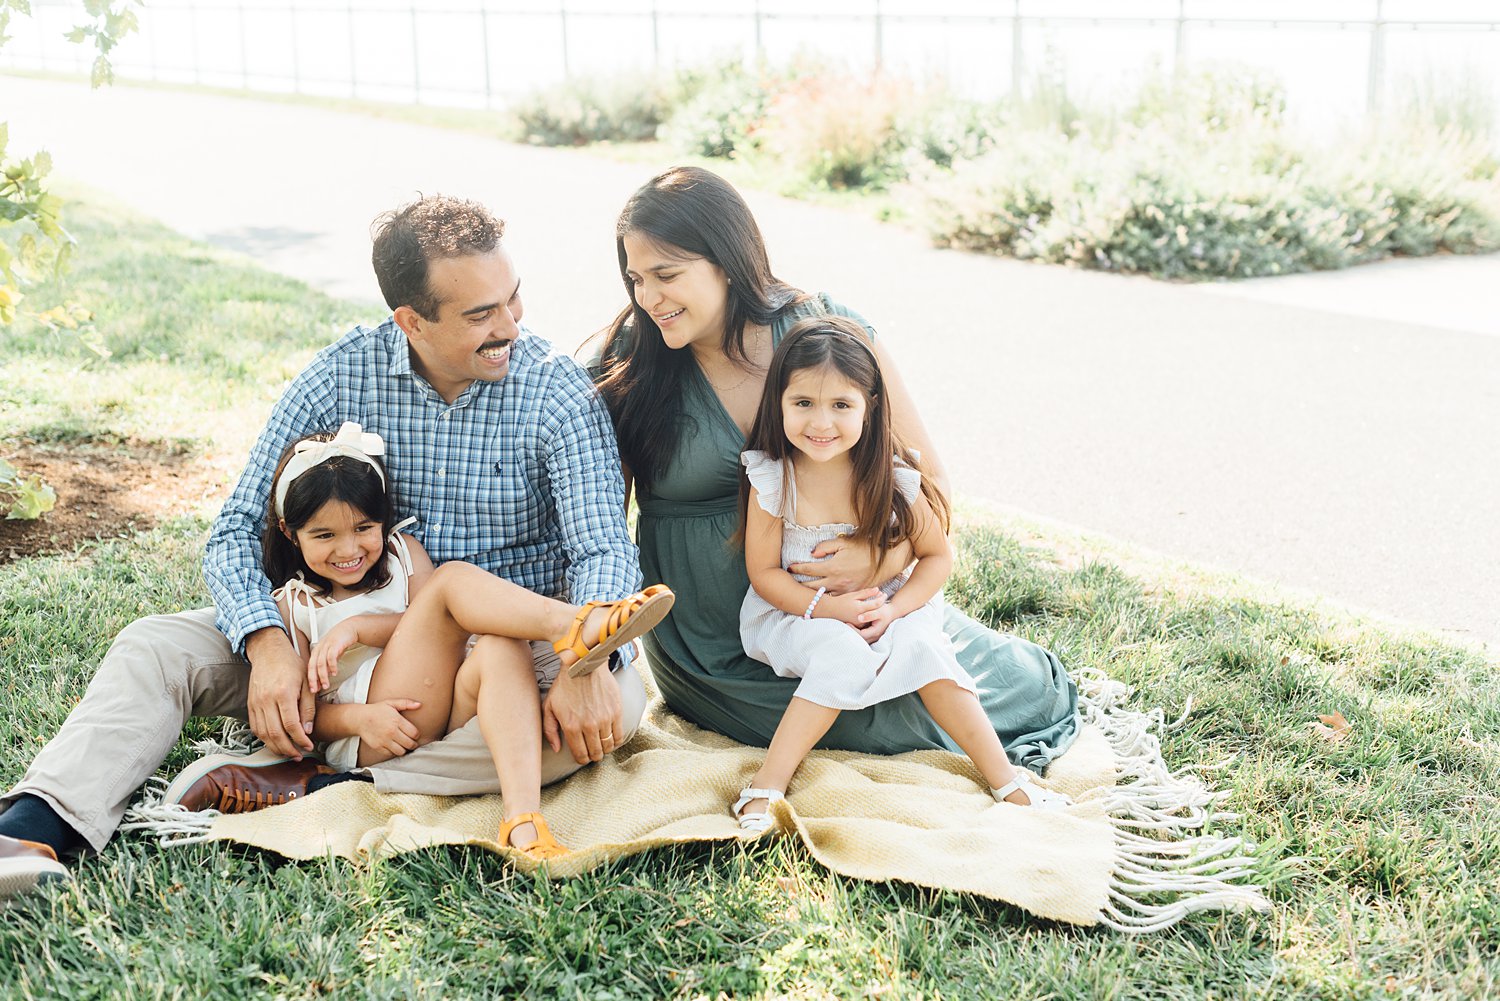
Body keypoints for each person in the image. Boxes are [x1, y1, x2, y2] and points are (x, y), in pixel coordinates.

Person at [0, 195, 644, 895]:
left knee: (611, 713)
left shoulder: (553, 390)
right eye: (480, 315)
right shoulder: (342, 373)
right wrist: (268, 643)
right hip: (333, 641)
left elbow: (603, 551)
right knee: (156, 645)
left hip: (505, 653)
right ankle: (38, 824)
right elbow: (238, 527)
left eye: (512, 300)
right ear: (411, 320)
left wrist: (589, 668)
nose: (510, 325)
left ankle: (313, 771)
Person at [588, 165, 1079, 772]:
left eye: (666, 275)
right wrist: (593, 659)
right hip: (716, 644)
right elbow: (593, 529)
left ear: (727, 258)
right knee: (877, 717)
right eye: (636, 278)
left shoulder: (821, 331)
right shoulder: (631, 363)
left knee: (1004, 688)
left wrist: (885, 557)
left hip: (853, 609)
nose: (647, 298)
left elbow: (929, 485)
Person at [183, 422, 672, 856]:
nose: (349, 549)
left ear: (384, 520)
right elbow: (308, 715)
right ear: (291, 534)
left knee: (502, 645)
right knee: (455, 581)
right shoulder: (296, 604)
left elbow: (432, 629)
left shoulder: (403, 554)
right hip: (372, 733)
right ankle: (576, 626)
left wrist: (357, 628)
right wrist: (360, 716)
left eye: (364, 527)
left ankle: (523, 821)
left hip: (439, 706)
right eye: (324, 535)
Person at [730, 317, 1071, 829]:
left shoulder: (894, 479)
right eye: (803, 403)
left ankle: (1007, 780)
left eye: (840, 405)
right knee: (840, 654)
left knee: (925, 648)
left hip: (889, 605)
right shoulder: (773, 478)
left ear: (870, 406)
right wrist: (830, 608)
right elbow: (763, 574)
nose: (820, 422)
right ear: (778, 403)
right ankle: (766, 785)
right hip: (797, 611)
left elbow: (937, 557)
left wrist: (893, 609)